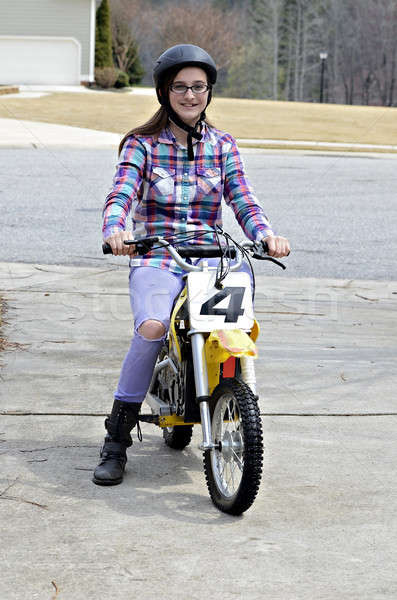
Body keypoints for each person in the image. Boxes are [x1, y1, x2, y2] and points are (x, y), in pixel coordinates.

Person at [93, 44, 290, 486]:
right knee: (152, 328)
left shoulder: (223, 145)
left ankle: (233, 410)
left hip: (215, 258)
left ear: (209, 91)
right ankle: (116, 440)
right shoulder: (141, 144)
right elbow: (120, 194)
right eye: (180, 86)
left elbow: (243, 197)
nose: (189, 95)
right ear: (164, 91)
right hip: (158, 255)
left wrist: (265, 235)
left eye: (198, 87)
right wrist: (115, 230)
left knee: (235, 327)